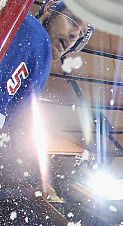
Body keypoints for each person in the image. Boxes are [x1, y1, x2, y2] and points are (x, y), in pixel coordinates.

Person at [0, 1, 92, 130]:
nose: (74, 36)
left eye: (80, 36)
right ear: (49, 8)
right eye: (72, 21)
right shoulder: (35, 34)